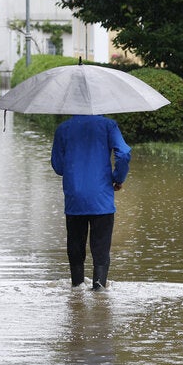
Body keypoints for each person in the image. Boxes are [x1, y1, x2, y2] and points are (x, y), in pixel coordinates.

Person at [51, 114, 131, 290]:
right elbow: (124, 154)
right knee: (101, 252)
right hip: (101, 199)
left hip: (75, 199)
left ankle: (77, 290)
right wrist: (118, 178)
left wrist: (75, 169)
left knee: (76, 250)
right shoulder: (109, 126)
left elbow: (57, 166)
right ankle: (99, 292)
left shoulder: (63, 128)